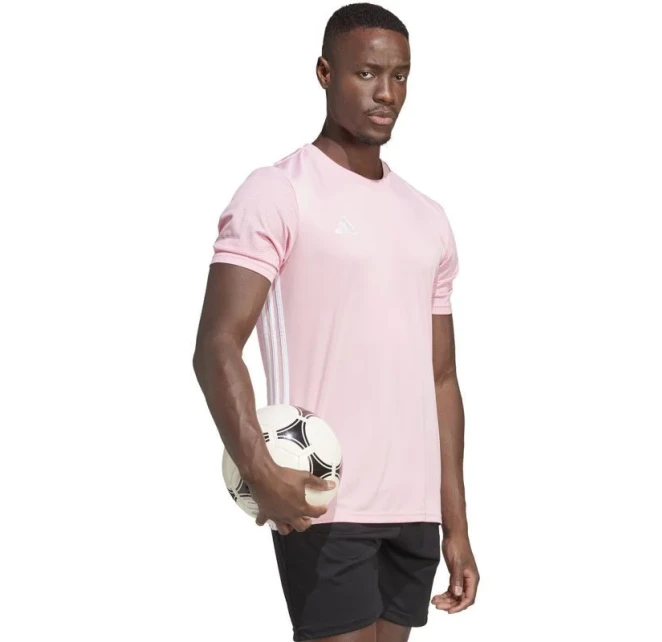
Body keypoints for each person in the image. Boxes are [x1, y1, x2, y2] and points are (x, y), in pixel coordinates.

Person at [192, 3, 479, 640]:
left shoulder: (428, 217)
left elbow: (441, 378)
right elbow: (216, 344)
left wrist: (455, 523)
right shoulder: (278, 191)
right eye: (367, 73)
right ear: (325, 73)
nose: (387, 93)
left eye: (400, 75)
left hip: (414, 509)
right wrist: (260, 471)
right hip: (323, 495)